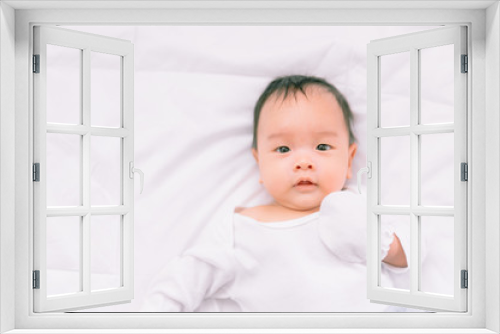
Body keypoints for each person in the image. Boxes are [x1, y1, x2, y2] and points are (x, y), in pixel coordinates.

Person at [141, 75, 408, 312]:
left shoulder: (359, 205)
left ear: (349, 161)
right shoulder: (240, 230)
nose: (304, 161)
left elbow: (412, 257)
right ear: (259, 163)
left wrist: (384, 243)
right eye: (283, 150)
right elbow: (182, 282)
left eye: (323, 146)